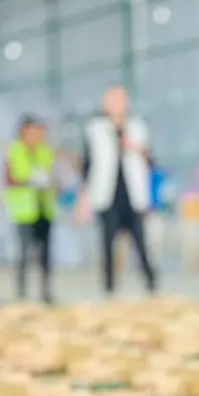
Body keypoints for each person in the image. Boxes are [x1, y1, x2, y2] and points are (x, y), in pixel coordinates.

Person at [76, 86, 157, 295]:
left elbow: (151, 162)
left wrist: (136, 148)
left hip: (133, 196)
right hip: (107, 196)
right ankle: (109, 288)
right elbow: (89, 165)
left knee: (141, 245)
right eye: (112, 100)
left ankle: (151, 284)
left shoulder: (137, 127)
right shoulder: (95, 129)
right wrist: (84, 199)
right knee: (107, 246)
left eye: (120, 100)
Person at [5, 115, 56, 303]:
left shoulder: (45, 150)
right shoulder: (14, 150)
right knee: (24, 255)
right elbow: (8, 177)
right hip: (24, 211)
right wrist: (29, 180)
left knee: (46, 256)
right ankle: (22, 295)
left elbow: (55, 174)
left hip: (44, 208)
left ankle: (46, 292)